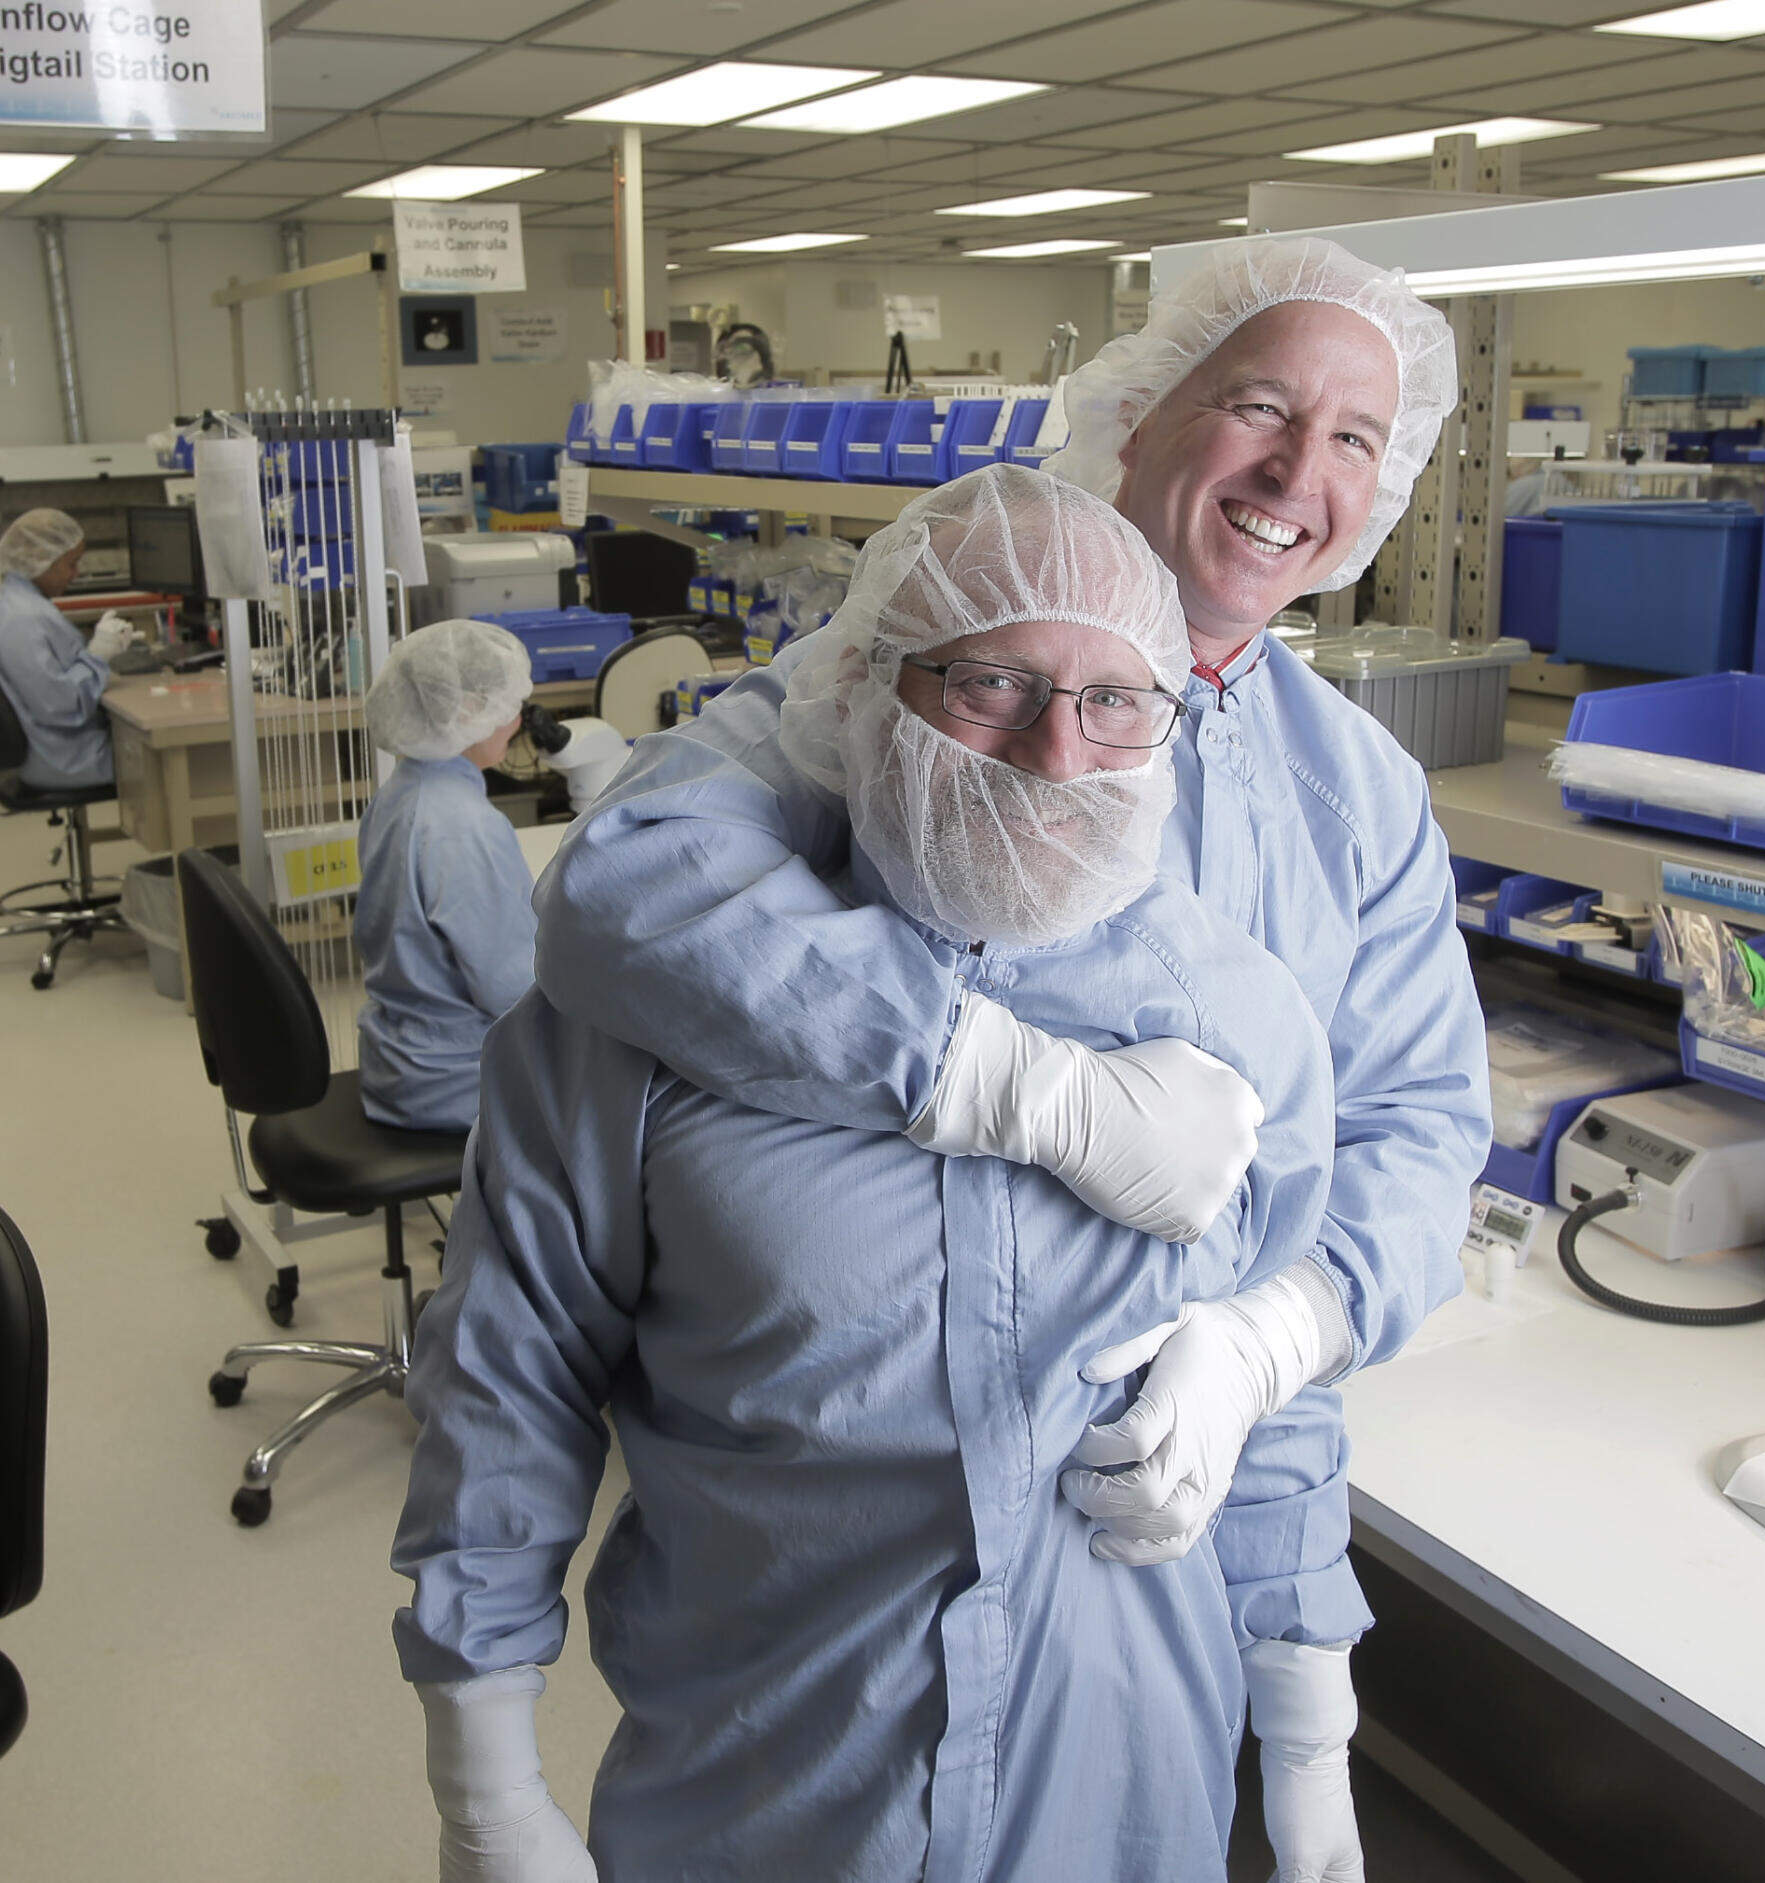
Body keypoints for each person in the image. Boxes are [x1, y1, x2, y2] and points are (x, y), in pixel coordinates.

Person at [396, 468, 1357, 1881]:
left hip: (1120, 1793)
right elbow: (508, 1371)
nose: (1058, 753)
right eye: (993, 683)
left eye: (1116, 700)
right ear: (863, 688)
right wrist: (482, 1764)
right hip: (767, 1785)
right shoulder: (667, 999)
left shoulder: (1239, 1017)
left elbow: (1276, 1407)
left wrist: (1308, 1721)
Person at [531, 236, 1487, 1565]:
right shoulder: (942, 666)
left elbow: (1422, 1124)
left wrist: (1281, 1334)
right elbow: (632, 881)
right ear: (1144, 414)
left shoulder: (1361, 790)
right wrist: (1012, 1081)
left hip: (1229, 1509)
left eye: (1354, 438)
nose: (1295, 471)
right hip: (890, 1483)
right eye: (1262, 406)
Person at [353, 618, 538, 1133]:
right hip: (457, 1081)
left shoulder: (399, 796)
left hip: (399, 1061)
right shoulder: (465, 827)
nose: (518, 720)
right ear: (467, 712)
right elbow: (515, 989)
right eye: (508, 705)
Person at [0, 507, 129, 790]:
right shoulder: (23, 619)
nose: (76, 574)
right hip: (65, 759)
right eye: (71, 563)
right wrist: (98, 655)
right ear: (41, 560)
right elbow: (61, 707)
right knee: (172, 751)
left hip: (51, 749)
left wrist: (95, 655)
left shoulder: (14, 602)